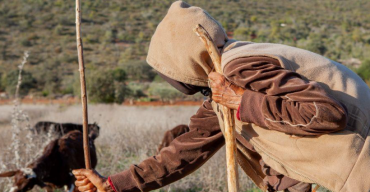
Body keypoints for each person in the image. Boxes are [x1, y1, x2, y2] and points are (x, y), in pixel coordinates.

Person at [73, 1, 370, 192]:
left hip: (362, 160)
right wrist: (112, 185)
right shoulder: (222, 87)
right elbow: (185, 151)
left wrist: (241, 102)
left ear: (183, 62)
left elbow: (327, 114)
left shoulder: (239, 69)